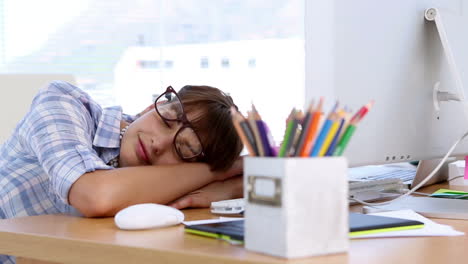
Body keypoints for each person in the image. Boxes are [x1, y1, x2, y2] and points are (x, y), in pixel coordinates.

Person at [0, 81, 244, 220]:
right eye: (166, 121)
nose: (158, 143)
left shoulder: (168, 183)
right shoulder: (65, 103)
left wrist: (231, 186)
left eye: (183, 149)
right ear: (152, 106)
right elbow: (96, 196)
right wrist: (216, 172)